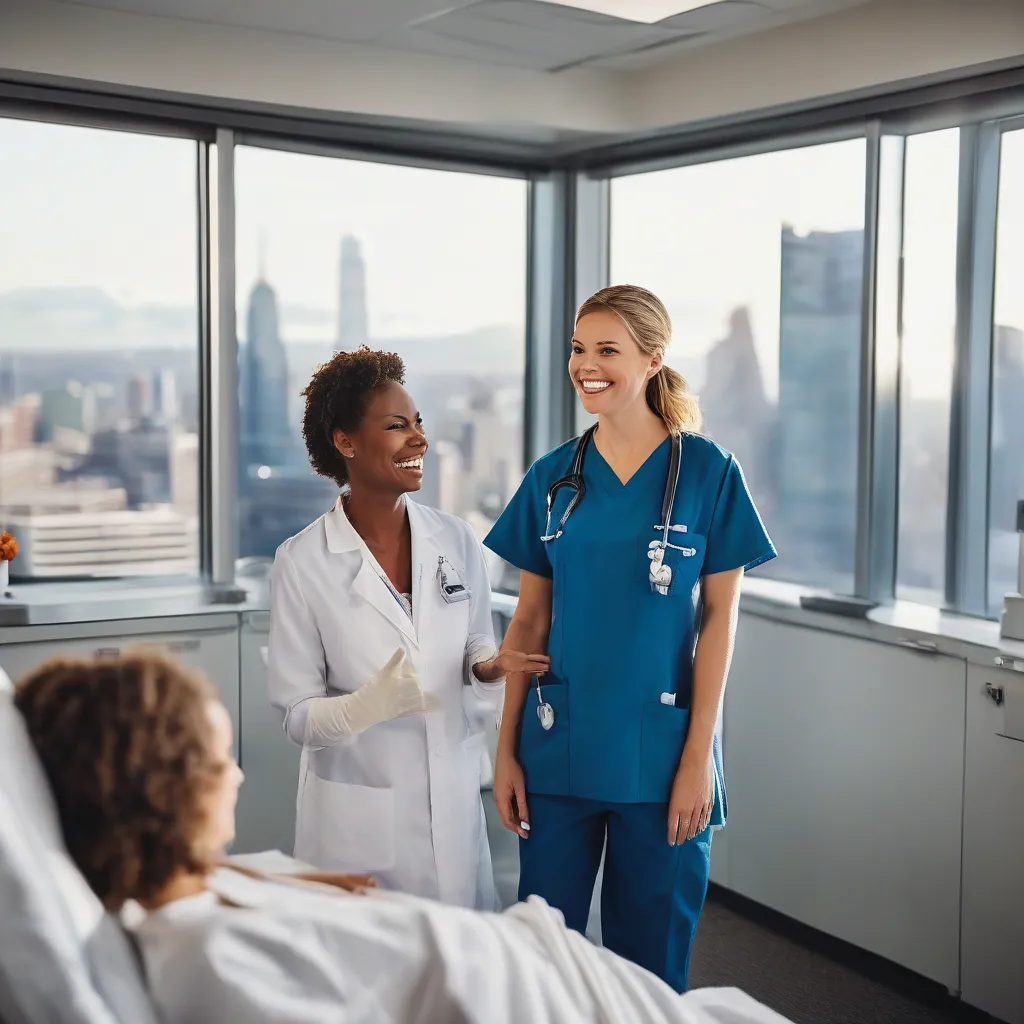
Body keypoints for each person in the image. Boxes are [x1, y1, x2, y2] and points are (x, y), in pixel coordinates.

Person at [14, 650, 791, 1024]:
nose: (238, 777)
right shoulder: (208, 957)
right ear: (154, 788)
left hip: (542, 967)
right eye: (219, 759)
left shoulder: (213, 883)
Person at [483, 285, 776, 992]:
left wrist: (698, 758)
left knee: (649, 966)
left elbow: (718, 623)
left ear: (652, 359)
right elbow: (527, 620)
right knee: (544, 960)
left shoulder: (709, 473)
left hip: (664, 753)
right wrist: (506, 748)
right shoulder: (554, 477)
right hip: (559, 746)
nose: (587, 365)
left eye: (607, 350)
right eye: (580, 349)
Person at [267, 347, 548, 910]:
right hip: (357, 825)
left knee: (464, 968)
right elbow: (297, 714)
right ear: (345, 442)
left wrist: (486, 665)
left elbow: (473, 639)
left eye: (419, 423)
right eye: (397, 426)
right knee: (371, 980)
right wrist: (368, 705)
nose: (419, 439)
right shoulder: (303, 561)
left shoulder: (456, 539)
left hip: (452, 805)